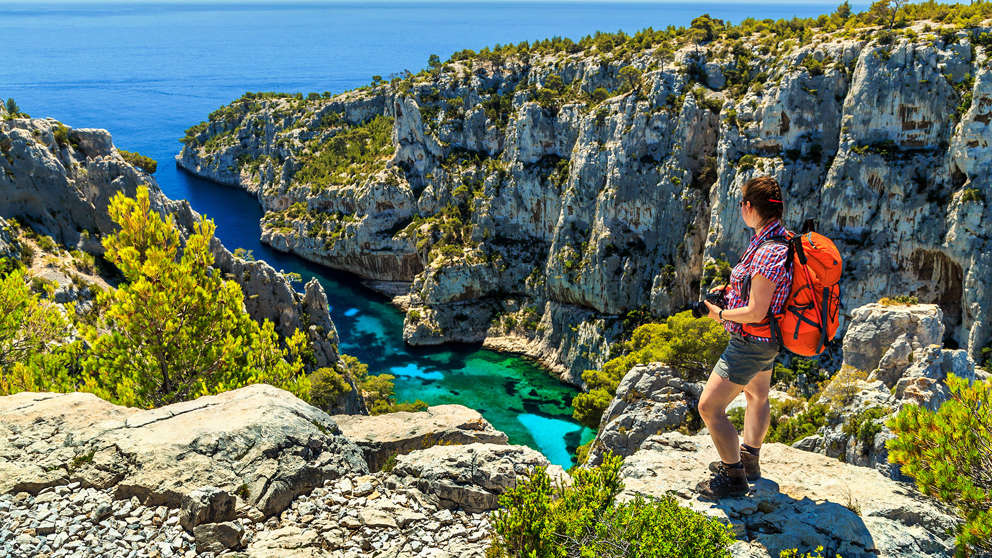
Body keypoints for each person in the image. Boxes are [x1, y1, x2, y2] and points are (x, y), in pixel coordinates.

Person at [695, 176, 793, 499]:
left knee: (709, 407)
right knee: (757, 395)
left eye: (741, 204)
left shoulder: (768, 251)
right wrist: (728, 292)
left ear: (750, 207)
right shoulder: (777, 239)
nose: (740, 209)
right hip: (767, 343)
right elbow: (756, 290)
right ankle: (749, 459)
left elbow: (756, 311)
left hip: (750, 342)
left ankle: (733, 476)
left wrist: (719, 314)